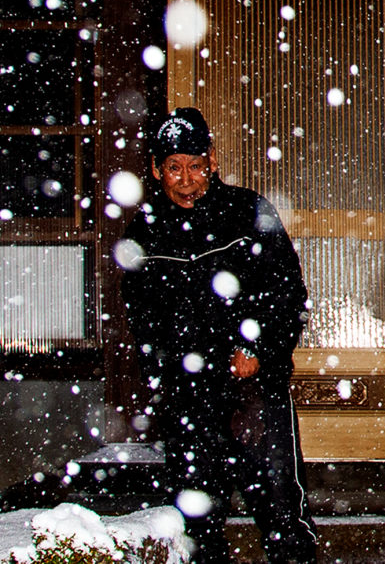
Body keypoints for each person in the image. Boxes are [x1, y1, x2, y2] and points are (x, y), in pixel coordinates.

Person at [121, 107, 316, 564]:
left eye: (195, 165)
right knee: (198, 525)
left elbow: (287, 293)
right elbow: (143, 319)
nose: (186, 179)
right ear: (156, 170)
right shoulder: (145, 231)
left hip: (252, 392)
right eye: (174, 167)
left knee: (282, 513)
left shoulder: (247, 212)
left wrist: (257, 348)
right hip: (189, 399)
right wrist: (165, 379)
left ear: (212, 160)